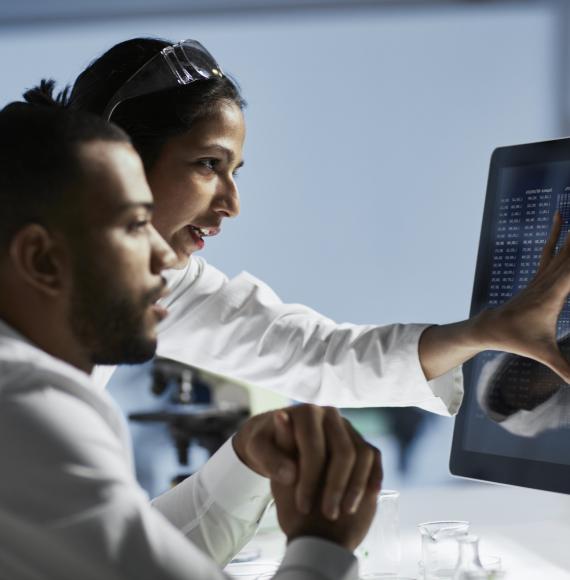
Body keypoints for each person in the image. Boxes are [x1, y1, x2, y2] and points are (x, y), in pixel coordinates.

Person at [63, 37, 570, 417]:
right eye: (208, 165)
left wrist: (486, 331)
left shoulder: (161, 283)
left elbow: (319, 356)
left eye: (234, 172)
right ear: (118, 156)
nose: (232, 204)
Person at [0, 95, 381, 579]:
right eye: (136, 225)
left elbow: (130, 556)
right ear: (40, 259)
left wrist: (243, 466)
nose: (163, 256)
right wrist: (323, 544)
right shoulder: (24, 408)